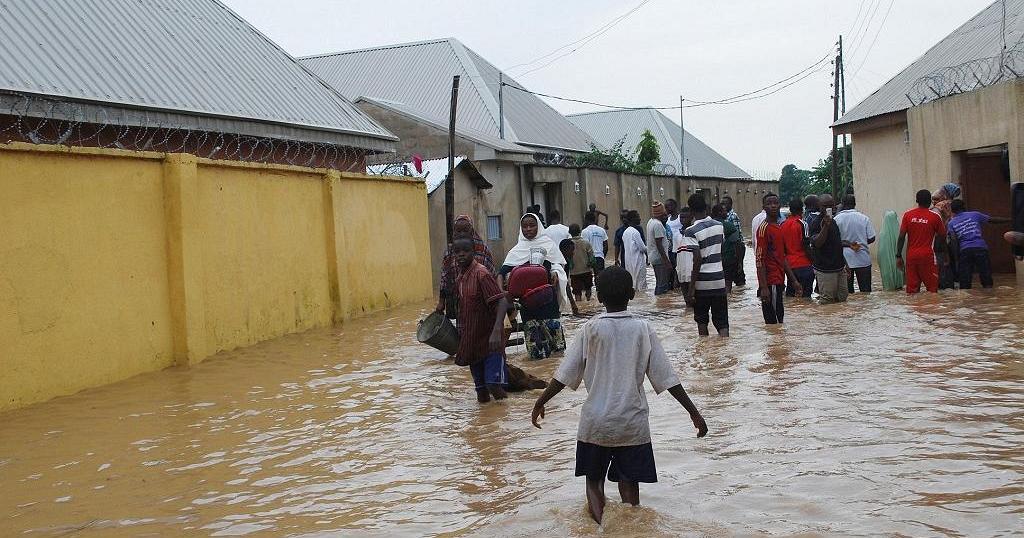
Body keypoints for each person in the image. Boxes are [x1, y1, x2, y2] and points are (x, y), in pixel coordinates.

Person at [530, 266, 708, 525]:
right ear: (632, 294)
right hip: (631, 424)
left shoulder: (589, 329)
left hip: (595, 424)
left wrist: (540, 401)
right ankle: (629, 530)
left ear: (598, 297)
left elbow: (563, 376)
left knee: (593, 482)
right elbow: (667, 377)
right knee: (630, 491)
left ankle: (602, 526)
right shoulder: (643, 329)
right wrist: (694, 412)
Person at [451, 238, 512, 403]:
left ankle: (506, 419)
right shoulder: (460, 278)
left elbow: (502, 301)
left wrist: (497, 331)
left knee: (493, 385)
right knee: (481, 392)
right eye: (457, 252)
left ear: (474, 252)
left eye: (466, 251)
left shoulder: (481, 274)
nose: (461, 255)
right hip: (473, 342)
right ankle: (486, 423)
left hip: (490, 341)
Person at [501, 213, 567, 359]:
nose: (528, 229)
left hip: (548, 303)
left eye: (532, 225)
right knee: (535, 350)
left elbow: (559, 264)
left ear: (539, 226)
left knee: (557, 350)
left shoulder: (549, 245)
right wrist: (503, 296)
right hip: (527, 305)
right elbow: (501, 273)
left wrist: (556, 271)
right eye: (525, 226)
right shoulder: (516, 251)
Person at [683, 194, 729, 336]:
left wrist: (691, 289)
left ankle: (706, 356)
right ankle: (725, 351)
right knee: (722, 322)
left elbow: (697, 260)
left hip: (702, 283)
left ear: (691, 211)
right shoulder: (719, 226)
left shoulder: (690, 231)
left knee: (702, 321)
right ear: (706, 208)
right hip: (719, 281)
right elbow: (720, 251)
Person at [755, 193, 803, 324]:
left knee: (779, 321)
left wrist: (794, 281)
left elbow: (782, 257)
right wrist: (764, 287)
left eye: (775, 203)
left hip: (780, 280)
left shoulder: (779, 227)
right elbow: (759, 259)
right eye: (769, 203)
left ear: (780, 205)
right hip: (771, 281)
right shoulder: (763, 229)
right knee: (773, 322)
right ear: (764, 207)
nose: (773, 206)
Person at [436, 215, 495, 319]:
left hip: (479, 300)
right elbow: (444, 278)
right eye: (458, 231)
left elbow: (491, 277)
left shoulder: (482, 249)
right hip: (458, 301)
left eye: (465, 230)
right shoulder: (450, 251)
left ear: (471, 230)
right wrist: (441, 302)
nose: (462, 234)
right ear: (454, 232)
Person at [948, 199, 1010, 288]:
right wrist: (1010, 220)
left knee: (965, 282)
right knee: (986, 276)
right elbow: (993, 220)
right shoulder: (975, 214)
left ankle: (967, 299)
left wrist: (957, 259)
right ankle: (989, 294)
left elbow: (954, 241)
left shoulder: (951, 223)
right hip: (980, 248)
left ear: (952, 210)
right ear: (964, 207)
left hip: (965, 251)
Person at [896, 189, 947, 294]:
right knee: (932, 290)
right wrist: (945, 255)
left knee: (912, 292)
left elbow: (901, 237)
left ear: (916, 200)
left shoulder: (907, 215)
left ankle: (914, 310)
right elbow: (942, 237)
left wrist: (898, 255)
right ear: (930, 201)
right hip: (928, 256)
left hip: (911, 257)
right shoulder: (935, 217)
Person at [809, 194, 849, 303]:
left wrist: (846, 265)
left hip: (839, 267)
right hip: (825, 269)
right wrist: (825, 227)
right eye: (826, 206)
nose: (830, 209)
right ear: (819, 206)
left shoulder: (834, 222)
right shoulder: (816, 223)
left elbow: (836, 245)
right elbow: (817, 243)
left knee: (843, 297)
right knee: (827, 301)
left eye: (832, 205)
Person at [834, 195, 876, 293]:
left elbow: (834, 241)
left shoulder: (836, 219)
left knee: (847, 294)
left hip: (844, 260)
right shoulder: (864, 218)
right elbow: (872, 237)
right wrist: (862, 242)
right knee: (866, 292)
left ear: (842, 204)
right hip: (863, 259)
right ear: (855, 204)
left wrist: (847, 244)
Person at [779, 198, 814, 297]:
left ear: (790, 209)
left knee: (791, 295)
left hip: (790, 267)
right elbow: (806, 245)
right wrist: (814, 261)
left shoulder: (782, 224)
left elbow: (782, 249)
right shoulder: (802, 224)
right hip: (804, 264)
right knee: (806, 298)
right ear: (802, 210)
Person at [711, 203, 742, 293]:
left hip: (712, 260)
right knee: (728, 283)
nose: (727, 213)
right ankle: (727, 301)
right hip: (727, 259)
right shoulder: (729, 226)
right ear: (720, 212)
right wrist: (739, 262)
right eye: (724, 211)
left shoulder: (708, 226)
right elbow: (737, 244)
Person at [647, 202, 672, 295]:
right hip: (660, 259)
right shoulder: (658, 225)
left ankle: (659, 304)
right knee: (662, 285)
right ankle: (661, 304)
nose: (666, 215)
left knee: (659, 284)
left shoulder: (651, 221)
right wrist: (666, 261)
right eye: (664, 214)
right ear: (661, 213)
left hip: (654, 257)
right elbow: (659, 244)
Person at [877, 210, 905, 291]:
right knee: (899, 290)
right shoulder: (901, 235)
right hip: (899, 264)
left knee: (889, 291)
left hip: (886, 268)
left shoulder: (882, 235)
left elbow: (880, 254)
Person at [722, 195, 747, 287]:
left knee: (738, 271)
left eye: (725, 204)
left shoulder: (733, 216)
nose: (723, 206)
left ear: (730, 204)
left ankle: (741, 292)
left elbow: (737, 236)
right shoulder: (724, 216)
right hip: (729, 248)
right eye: (722, 204)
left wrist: (738, 253)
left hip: (737, 247)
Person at [673, 207, 695, 303]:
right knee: (686, 300)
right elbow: (676, 255)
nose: (683, 220)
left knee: (694, 298)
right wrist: (675, 276)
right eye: (681, 218)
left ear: (691, 217)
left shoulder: (695, 232)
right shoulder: (676, 234)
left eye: (685, 217)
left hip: (692, 270)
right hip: (681, 270)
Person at [569, 224, 596, 301]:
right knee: (588, 289)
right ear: (580, 231)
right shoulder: (586, 243)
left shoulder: (568, 244)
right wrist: (595, 271)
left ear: (569, 232)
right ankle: (588, 302)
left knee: (577, 292)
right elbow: (592, 258)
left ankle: (579, 307)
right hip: (586, 271)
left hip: (574, 273)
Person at [622, 210, 648, 292]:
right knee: (641, 287)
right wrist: (652, 247)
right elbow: (643, 248)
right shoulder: (635, 232)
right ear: (633, 219)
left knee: (633, 285)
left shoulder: (625, 232)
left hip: (629, 263)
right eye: (638, 217)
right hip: (638, 263)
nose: (640, 219)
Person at [581, 212, 609, 277]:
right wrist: (602, 255)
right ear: (595, 219)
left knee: (589, 278)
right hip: (600, 257)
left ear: (586, 220)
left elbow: (584, 246)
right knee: (600, 277)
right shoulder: (601, 230)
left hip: (589, 258)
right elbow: (606, 246)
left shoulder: (585, 231)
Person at [559, 239, 582, 316]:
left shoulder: (567, 262)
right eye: (571, 250)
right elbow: (565, 284)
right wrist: (573, 303)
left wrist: (573, 304)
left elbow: (565, 282)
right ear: (563, 250)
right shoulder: (558, 262)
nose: (573, 253)